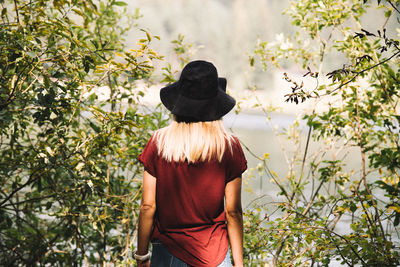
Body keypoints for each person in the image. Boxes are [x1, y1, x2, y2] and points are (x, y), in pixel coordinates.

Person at [135, 60, 247, 267]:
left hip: (167, 253)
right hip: (215, 254)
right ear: (216, 104)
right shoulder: (228, 147)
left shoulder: (159, 143)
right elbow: (233, 212)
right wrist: (239, 264)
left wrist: (142, 256)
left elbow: (148, 206)